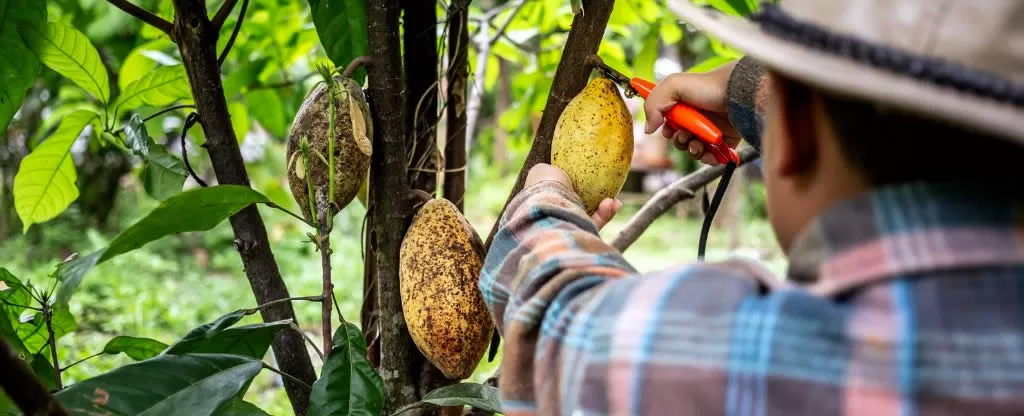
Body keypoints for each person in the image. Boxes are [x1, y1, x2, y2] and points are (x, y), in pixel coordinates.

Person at [479, 0, 1024, 414]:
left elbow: (564, 323)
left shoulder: (770, 360)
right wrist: (752, 91)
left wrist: (542, 202)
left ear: (801, 137)